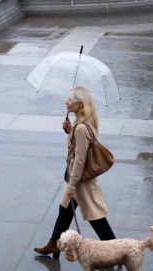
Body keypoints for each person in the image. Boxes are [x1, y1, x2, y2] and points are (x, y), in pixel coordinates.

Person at [34, 86, 116, 259]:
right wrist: (69, 131)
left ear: (81, 104)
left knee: (96, 217)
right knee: (65, 209)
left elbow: (80, 160)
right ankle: (54, 244)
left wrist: (72, 185)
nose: (66, 101)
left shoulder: (81, 128)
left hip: (80, 180)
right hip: (78, 178)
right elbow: (80, 148)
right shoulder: (81, 125)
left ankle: (115, 250)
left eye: (70, 99)